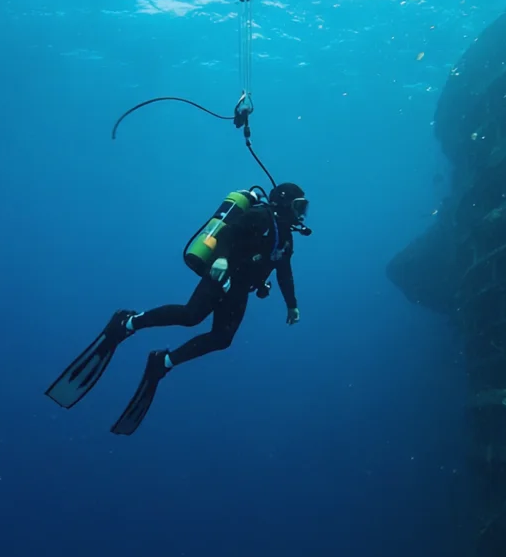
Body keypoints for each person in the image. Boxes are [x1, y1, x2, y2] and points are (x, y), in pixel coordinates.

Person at [45, 182, 310, 435]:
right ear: (284, 202)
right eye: (299, 206)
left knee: (222, 339)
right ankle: (127, 323)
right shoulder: (261, 215)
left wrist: (292, 305)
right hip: (222, 274)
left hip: (240, 288)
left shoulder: (285, 237)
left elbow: (284, 272)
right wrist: (220, 258)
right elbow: (230, 232)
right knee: (190, 316)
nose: (302, 213)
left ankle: (163, 362)